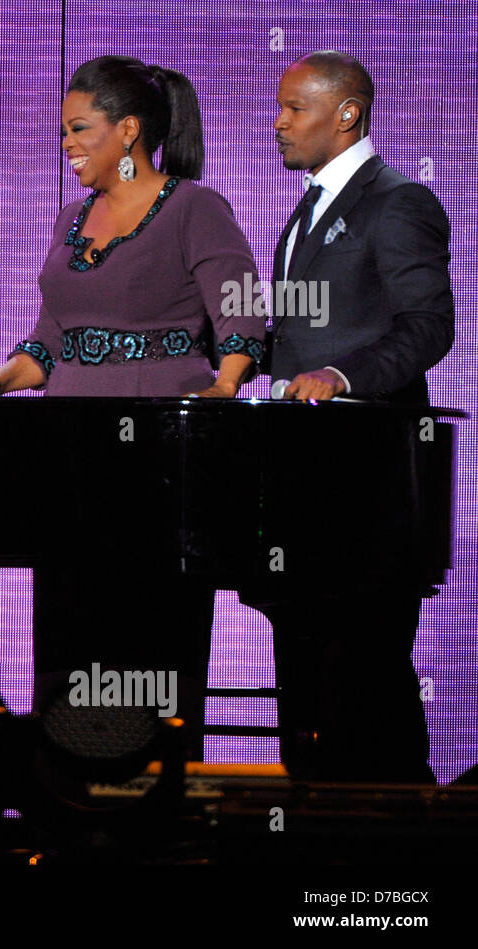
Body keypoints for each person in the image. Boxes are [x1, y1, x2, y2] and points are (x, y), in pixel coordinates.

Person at [0, 56, 266, 760]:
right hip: (67, 454)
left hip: (159, 458)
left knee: (147, 629)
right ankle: (73, 796)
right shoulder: (73, 219)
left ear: (128, 131)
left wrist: (225, 384)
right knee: (72, 626)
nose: (66, 144)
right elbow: (49, 341)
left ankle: (151, 799)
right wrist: (0, 380)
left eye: (79, 129)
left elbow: (242, 308)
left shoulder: (193, 207)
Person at [240, 51, 454, 783]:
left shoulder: (398, 202)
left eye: (294, 108)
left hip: (369, 491)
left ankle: (396, 861)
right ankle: (311, 847)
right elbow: (299, 336)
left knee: (366, 694)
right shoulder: (309, 208)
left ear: (347, 113)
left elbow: (428, 326)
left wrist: (340, 377)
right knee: (308, 694)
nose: (278, 123)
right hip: (301, 491)